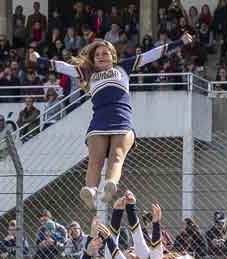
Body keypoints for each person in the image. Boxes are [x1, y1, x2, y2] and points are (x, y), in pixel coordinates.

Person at [29, 34, 194, 209]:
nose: (101, 56)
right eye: (98, 54)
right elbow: (63, 67)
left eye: (105, 53)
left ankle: (110, 185)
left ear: (113, 56)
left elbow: (151, 54)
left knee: (117, 156)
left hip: (121, 119)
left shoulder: (124, 67)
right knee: (95, 160)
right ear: (92, 58)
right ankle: (90, 191)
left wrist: (179, 42)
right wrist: (39, 60)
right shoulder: (87, 73)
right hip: (99, 121)